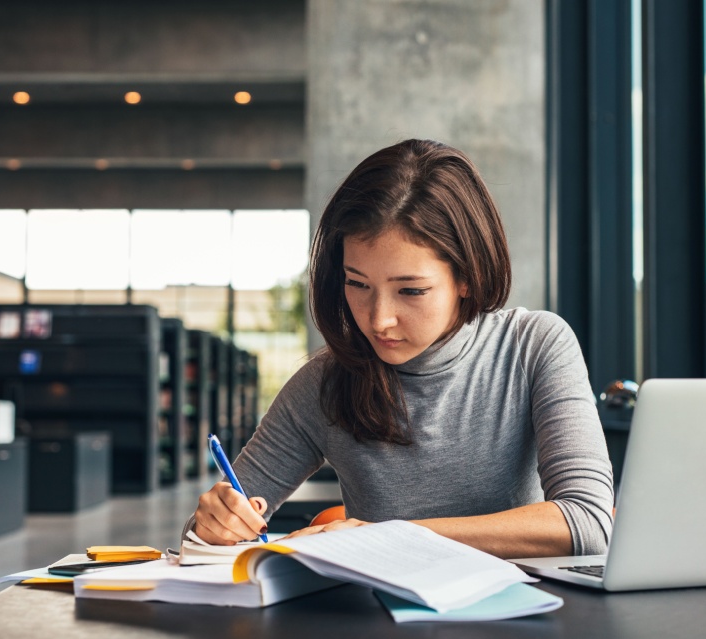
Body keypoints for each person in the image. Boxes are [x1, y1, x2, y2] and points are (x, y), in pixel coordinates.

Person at [190, 139, 613, 559]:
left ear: (466, 276)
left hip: (522, 617)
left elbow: (587, 523)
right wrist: (212, 525)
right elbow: (202, 538)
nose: (378, 320)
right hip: (381, 622)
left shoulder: (533, 346)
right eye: (357, 284)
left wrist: (384, 536)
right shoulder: (323, 383)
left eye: (410, 290)